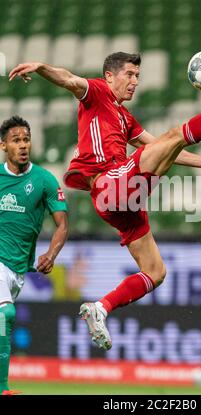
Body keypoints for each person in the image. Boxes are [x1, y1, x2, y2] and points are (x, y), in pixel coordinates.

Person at [9, 52, 201, 351]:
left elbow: (163, 148)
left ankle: (100, 308)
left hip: (123, 199)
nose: (134, 82)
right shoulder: (97, 93)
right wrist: (41, 68)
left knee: (156, 272)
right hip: (109, 184)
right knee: (171, 137)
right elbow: (68, 79)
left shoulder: (125, 117)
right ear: (109, 76)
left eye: (137, 77)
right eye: (129, 75)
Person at [0, 116, 68, 394]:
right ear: (3, 145)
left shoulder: (44, 180)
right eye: (16, 140)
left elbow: (62, 224)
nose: (23, 145)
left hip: (18, 268)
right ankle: (3, 387)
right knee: (5, 314)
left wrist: (51, 254)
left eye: (26, 139)